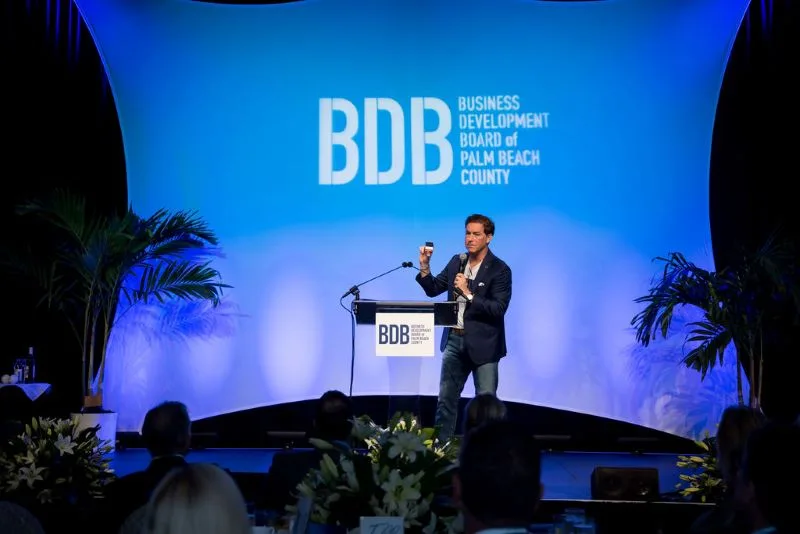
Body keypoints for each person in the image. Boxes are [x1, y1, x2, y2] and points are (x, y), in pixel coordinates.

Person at [416, 214, 512, 442]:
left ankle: (486, 452)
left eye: (476, 234)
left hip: (485, 346)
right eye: (468, 233)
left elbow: (498, 309)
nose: (470, 238)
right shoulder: (456, 262)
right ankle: (441, 451)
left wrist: (468, 294)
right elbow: (433, 289)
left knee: (487, 405)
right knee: (446, 401)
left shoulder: (499, 269)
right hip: (454, 340)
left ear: (489, 237)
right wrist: (425, 266)